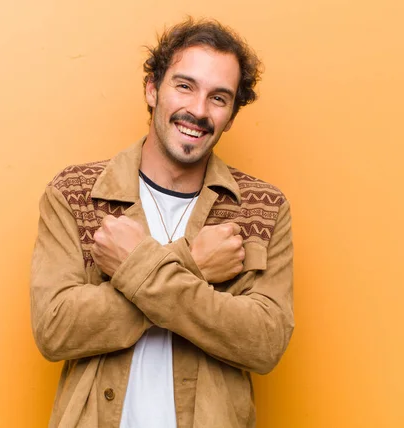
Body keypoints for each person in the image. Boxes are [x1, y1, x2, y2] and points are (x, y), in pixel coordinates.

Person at [30, 17, 294, 428]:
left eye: (219, 98)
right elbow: (56, 328)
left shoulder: (262, 208)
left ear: (232, 116)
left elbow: (264, 342)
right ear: (153, 89)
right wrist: (192, 264)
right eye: (184, 86)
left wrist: (138, 269)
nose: (199, 110)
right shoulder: (76, 192)